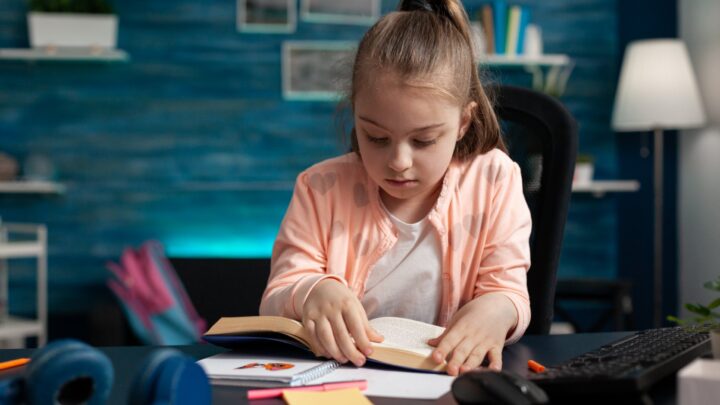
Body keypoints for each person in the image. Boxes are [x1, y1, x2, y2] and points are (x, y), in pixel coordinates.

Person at [260, 0, 531, 377]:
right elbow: (277, 294)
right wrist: (311, 291)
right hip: (341, 380)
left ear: (464, 122)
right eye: (376, 137)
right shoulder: (319, 187)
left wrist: (497, 310)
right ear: (356, 113)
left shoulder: (495, 180)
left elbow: (511, 291)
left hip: (450, 378)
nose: (398, 161)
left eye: (423, 141)